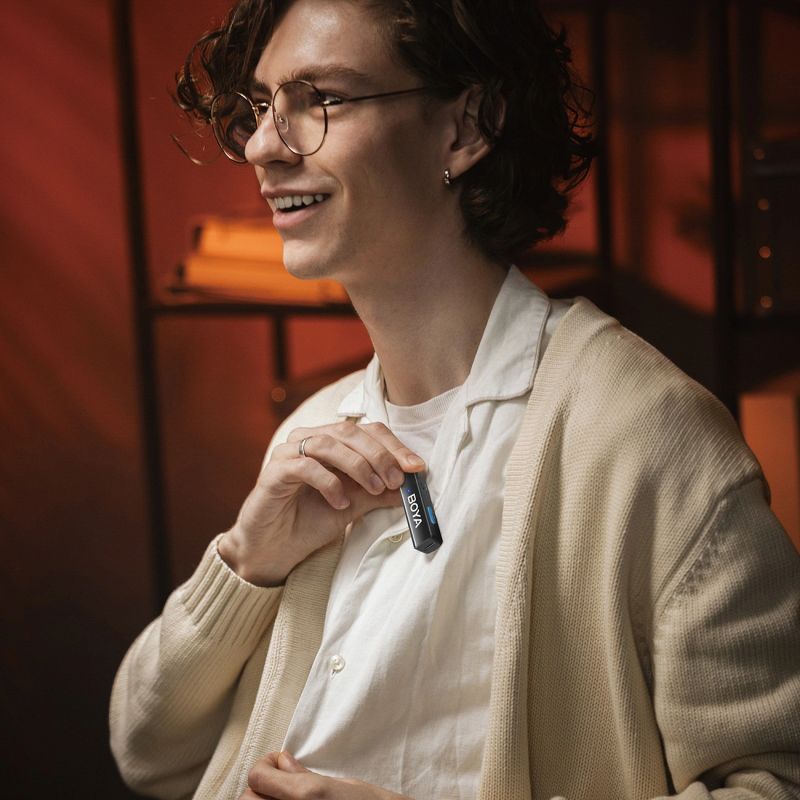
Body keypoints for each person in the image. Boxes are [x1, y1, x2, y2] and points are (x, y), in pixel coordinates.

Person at [109, 1, 800, 799]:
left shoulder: (653, 437)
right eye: (262, 105)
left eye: (321, 99)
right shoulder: (311, 432)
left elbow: (775, 781)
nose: (264, 144)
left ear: (467, 127)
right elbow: (147, 752)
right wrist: (246, 563)